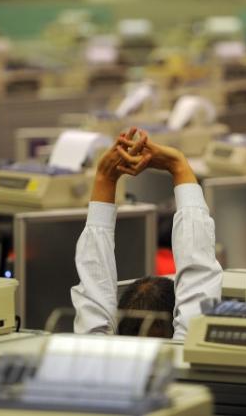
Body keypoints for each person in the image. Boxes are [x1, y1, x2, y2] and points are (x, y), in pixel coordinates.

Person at [71, 127, 222, 340]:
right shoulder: (183, 360)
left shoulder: (97, 364)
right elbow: (198, 272)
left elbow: (93, 293)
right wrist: (178, 165)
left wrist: (105, 178)